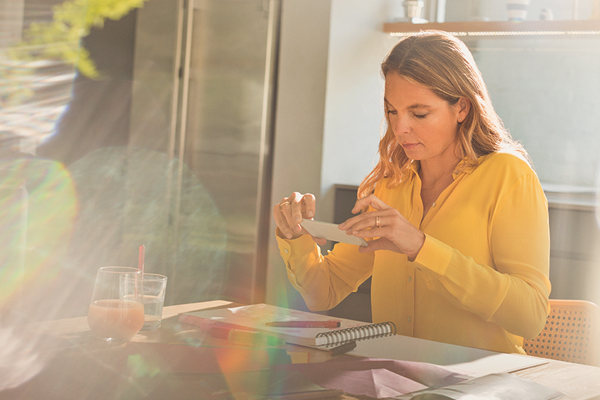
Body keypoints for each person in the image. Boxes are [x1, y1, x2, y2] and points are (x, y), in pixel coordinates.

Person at [273, 30, 551, 354]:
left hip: (477, 387)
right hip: (394, 381)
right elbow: (324, 291)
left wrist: (420, 246)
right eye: (392, 111)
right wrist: (295, 236)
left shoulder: (508, 176)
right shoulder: (391, 183)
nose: (400, 127)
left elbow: (530, 316)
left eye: (419, 113)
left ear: (461, 108)